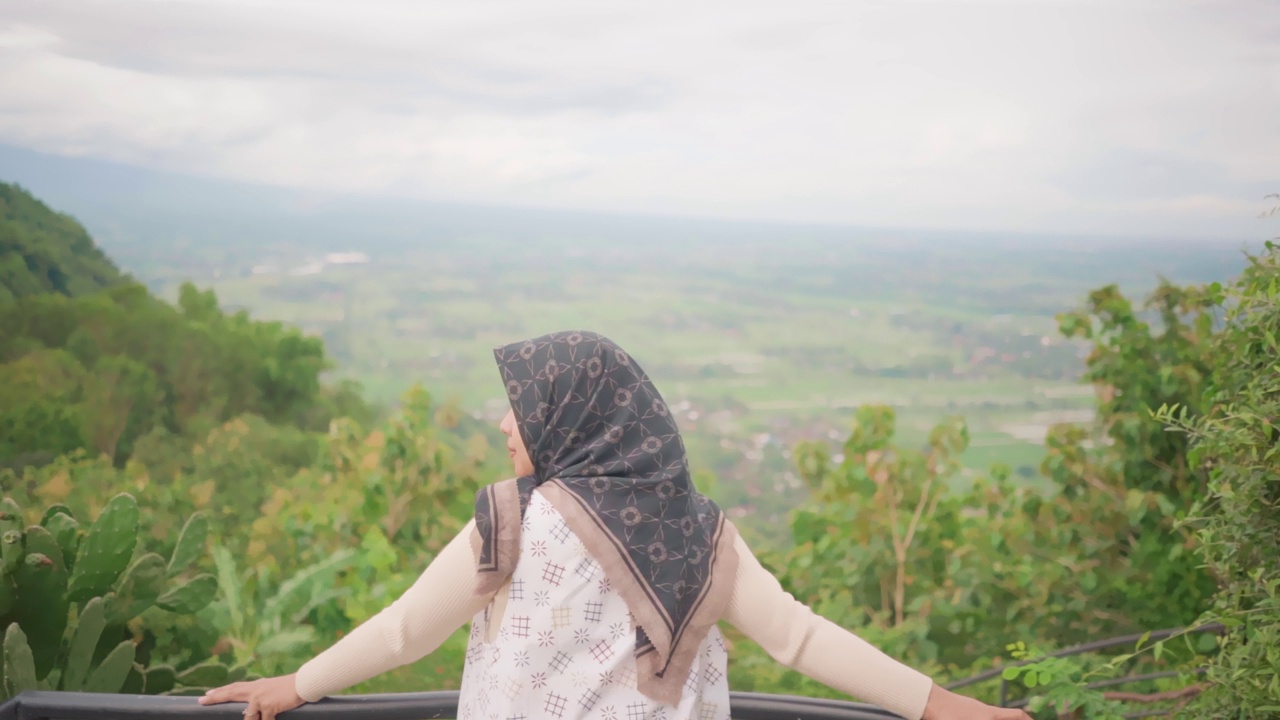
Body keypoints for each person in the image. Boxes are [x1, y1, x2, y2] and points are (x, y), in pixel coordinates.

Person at [200, 331, 1031, 720]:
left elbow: (407, 631)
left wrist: (293, 687)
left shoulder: (512, 518)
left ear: (577, 419)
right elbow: (801, 640)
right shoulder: (699, 533)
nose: (504, 426)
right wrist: (941, 706)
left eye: (522, 411)